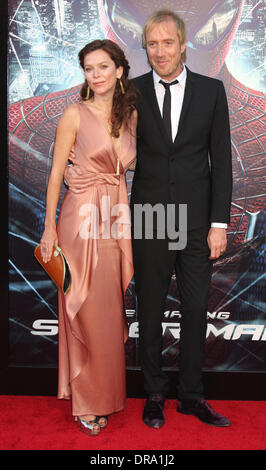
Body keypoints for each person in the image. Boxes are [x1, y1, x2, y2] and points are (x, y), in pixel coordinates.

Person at [130, 9, 232, 428]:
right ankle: (154, 393)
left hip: (196, 223)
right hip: (151, 216)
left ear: (183, 43)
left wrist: (219, 224)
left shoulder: (211, 91)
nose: (159, 51)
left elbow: (221, 162)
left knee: (194, 310)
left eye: (167, 42)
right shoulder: (131, 91)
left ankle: (191, 395)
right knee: (149, 310)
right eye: (152, 43)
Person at [39, 39, 137, 435]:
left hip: (114, 216)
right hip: (80, 217)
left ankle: (108, 395)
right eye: (88, 69)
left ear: (118, 70)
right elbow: (54, 174)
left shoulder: (129, 116)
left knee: (108, 313)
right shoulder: (73, 115)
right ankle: (87, 400)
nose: (95, 75)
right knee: (86, 309)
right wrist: (48, 227)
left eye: (102, 67)